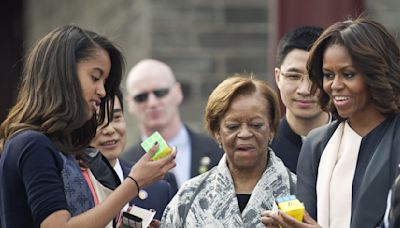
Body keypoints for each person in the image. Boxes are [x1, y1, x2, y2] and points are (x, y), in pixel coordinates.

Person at [0, 25, 176, 228]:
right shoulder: (32, 143)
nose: (102, 91)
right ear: (64, 74)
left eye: (104, 81)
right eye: (95, 77)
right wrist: (134, 183)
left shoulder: (64, 151)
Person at [293, 16, 400, 228]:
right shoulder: (317, 143)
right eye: (328, 75)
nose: (335, 85)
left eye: (348, 74)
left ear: (376, 74)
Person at [161, 75, 296, 227]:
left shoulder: (299, 192)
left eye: (256, 125)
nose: (245, 134)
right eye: (233, 127)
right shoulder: (188, 197)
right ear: (217, 133)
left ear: (271, 129)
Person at [121, 59, 223, 186]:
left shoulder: (219, 150)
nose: (152, 103)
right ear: (129, 103)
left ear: (177, 92)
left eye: (160, 93)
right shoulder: (124, 166)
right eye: (141, 97)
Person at [90, 88, 176, 220]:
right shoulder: (70, 183)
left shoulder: (159, 187)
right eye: (97, 120)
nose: (109, 129)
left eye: (116, 117)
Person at [271, 26, 333, 173]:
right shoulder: (263, 149)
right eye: (293, 76)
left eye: (316, 77)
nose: (305, 90)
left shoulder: (353, 142)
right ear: (278, 77)